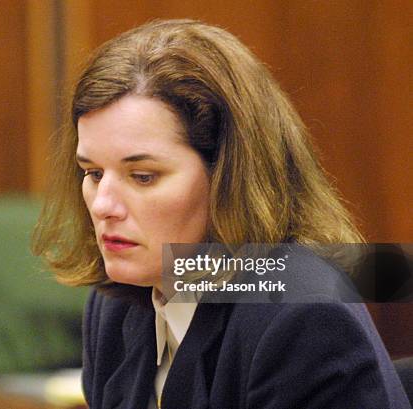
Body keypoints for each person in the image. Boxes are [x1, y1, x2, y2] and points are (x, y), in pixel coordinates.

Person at [32, 19, 411, 408]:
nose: (103, 205)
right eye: (93, 173)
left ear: (228, 178)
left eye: (143, 177)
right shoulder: (117, 305)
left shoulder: (300, 314)